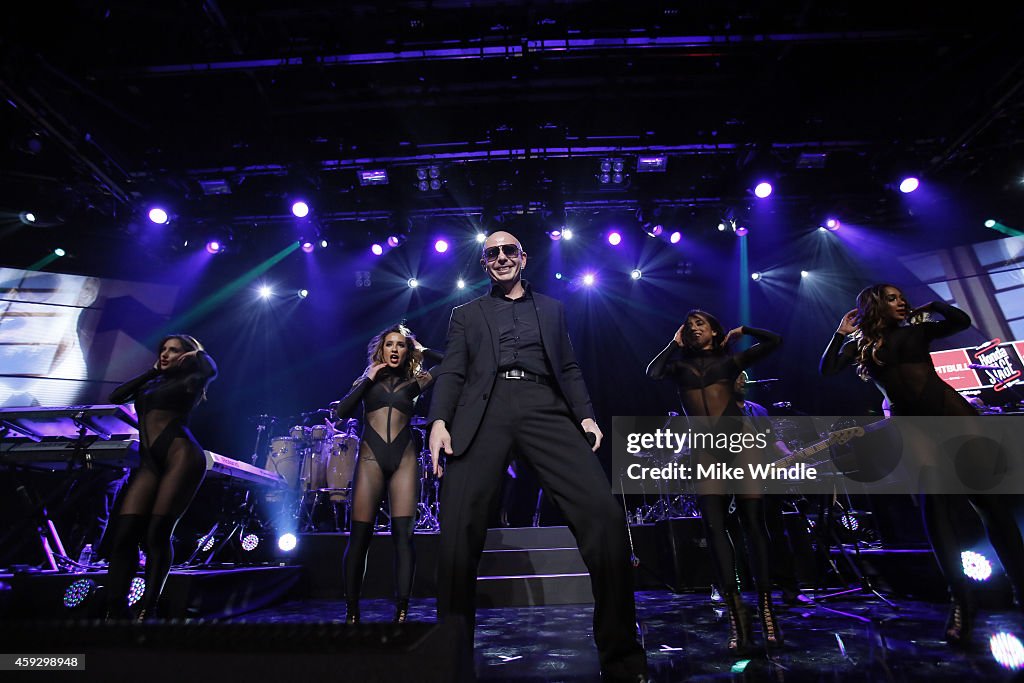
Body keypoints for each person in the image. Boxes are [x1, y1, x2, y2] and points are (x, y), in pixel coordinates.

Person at [427, 231, 647, 681]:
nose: (502, 258)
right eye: (493, 253)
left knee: (604, 516)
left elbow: (568, 367)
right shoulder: (466, 314)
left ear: (523, 258)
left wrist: (585, 416)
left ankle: (621, 654)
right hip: (483, 411)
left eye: (510, 251)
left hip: (544, 405)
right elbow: (451, 370)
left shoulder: (552, 309)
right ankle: (449, 659)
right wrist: (438, 422)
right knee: (457, 533)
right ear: (484, 264)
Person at [820, 284, 1024, 646]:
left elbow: (959, 320)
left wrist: (932, 304)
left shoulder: (917, 329)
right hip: (913, 427)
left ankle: (1021, 585)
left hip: (952, 416)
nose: (901, 303)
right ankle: (961, 600)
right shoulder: (863, 345)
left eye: (903, 298)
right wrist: (840, 333)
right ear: (874, 305)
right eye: (892, 298)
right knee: (935, 508)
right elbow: (828, 368)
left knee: (990, 506)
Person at [647, 312, 783, 652]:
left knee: (754, 525)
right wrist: (673, 343)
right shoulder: (679, 367)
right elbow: (652, 371)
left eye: (700, 323)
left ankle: (768, 611)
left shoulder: (731, 360)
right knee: (715, 527)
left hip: (739, 445)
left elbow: (775, 341)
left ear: (715, 331)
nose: (693, 327)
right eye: (689, 324)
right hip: (706, 451)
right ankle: (737, 616)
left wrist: (744, 330)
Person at [333, 324, 442, 624]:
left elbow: (454, 362)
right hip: (370, 459)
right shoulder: (366, 381)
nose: (395, 349)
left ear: (408, 351)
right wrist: (367, 379)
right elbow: (341, 412)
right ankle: (352, 610)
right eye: (390, 344)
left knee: (404, 538)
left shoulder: (417, 382)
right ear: (381, 350)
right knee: (359, 538)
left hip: (404, 459)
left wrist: (425, 351)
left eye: (401, 345)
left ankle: (403, 611)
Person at [105, 334, 217, 619]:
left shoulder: (192, 380)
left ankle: (148, 607)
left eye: (173, 350)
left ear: (186, 355)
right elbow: (116, 397)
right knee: (125, 534)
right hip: (150, 463)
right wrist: (153, 370)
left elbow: (210, 368)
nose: (165, 354)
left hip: (181, 457)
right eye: (163, 350)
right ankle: (114, 607)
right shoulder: (153, 381)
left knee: (156, 534)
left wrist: (195, 355)